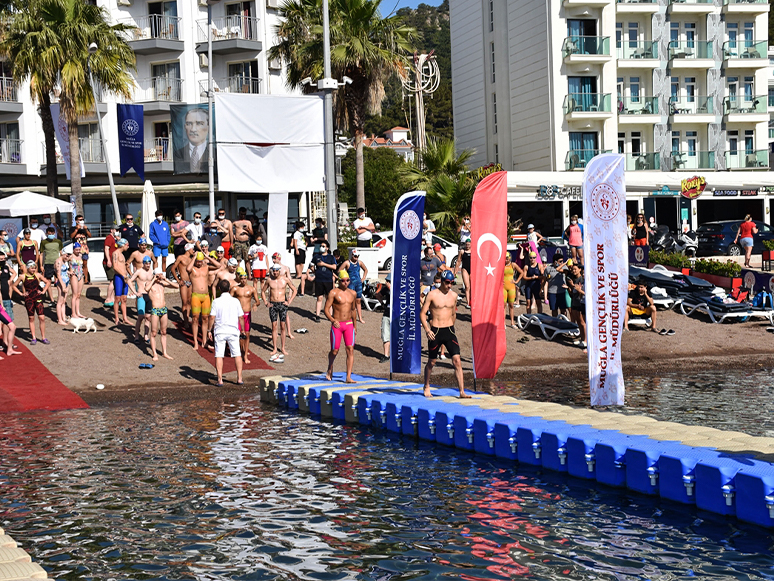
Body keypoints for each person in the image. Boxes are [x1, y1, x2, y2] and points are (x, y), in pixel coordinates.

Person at [420, 269, 469, 399]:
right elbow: (422, 313)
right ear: (442, 281)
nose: (449, 285)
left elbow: (453, 313)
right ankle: (426, 385)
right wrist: (427, 329)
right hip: (435, 331)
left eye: (452, 283)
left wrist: (452, 326)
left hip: (449, 331)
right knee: (432, 362)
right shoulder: (432, 294)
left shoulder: (453, 295)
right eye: (447, 282)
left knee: (457, 361)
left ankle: (462, 391)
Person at [209, 279, 244, 385]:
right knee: (237, 354)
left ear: (219, 289)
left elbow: (212, 317)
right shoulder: (235, 301)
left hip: (220, 331)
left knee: (219, 354)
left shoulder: (216, 301)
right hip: (233, 330)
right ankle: (239, 378)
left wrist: (209, 330)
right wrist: (242, 330)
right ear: (229, 288)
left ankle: (220, 379)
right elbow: (241, 317)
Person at [324, 269, 357, 382]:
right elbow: (326, 309)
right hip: (337, 324)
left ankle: (348, 377)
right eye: (343, 281)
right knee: (334, 350)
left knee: (350, 349)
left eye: (348, 280)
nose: (346, 282)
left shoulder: (352, 293)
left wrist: (355, 326)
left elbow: (353, 310)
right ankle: (330, 368)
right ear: (339, 281)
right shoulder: (333, 293)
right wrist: (333, 320)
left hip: (348, 324)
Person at [261, 263, 297, 363]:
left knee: (282, 326)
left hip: (282, 304)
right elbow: (263, 291)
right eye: (274, 271)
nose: (275, 273)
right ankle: (275, 348)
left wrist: (289, 301)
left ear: (279, 270)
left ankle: (283, 348)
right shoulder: (269, 280)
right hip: (273, 304)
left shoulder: (285, 279)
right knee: (274, 326)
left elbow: (294, 290)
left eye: (277, 271)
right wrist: (265, 302)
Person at [187, 251, 220, 350]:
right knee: (195, 318)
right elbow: (187, 268)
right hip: (196, 295)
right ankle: (196, 342)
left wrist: (207, 257)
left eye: (201, 261)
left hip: (206, 296)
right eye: (198, 261)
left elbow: (219, 266)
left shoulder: (206, 267)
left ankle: (204, 341)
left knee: (206, 318)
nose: (199, 263)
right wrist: (194, 257)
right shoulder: (192, 268)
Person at [145, 268, 179, 361]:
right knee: (154, 333)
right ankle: (154, 353)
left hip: (163, 309)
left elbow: (176, 286)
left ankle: (164, 352)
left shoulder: (162, 284)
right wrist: (153, 279)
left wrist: (166, 279)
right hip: (155, 310)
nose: (159, 277)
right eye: (158, 275)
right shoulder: (150, 284)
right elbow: (146, 289)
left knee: (164, 332)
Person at [230, 267, 260, 364]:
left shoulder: (252, 289)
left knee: (247, 334)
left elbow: (258, 301)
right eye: (241, 278)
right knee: (239, 334)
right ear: (239, 278)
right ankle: (240, 350)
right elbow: (228, 299)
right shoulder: (235, 289)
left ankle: (245, 354)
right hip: (238, 314)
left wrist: (255, 305)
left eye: (244, 278)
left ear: (247, 278)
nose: (243, 280)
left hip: (247, 314)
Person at [174, 107, 209, 173]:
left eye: (199, 123)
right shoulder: (178, 154)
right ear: (185, 127)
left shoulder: (216, 153)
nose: (193, 129)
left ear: (208, 127)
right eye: (189, 124)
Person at [128, 256, 154, 343]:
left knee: (148, 317)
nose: (148, 265)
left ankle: (146, 336)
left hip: (149, 296)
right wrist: (135, 292)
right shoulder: (139, 271)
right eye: (146, 263)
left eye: (149, 263)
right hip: (141, 295)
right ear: (143, 263)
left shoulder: (151, 271)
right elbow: (129, 281)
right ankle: (136, 336)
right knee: (140, 317)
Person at [21, 261, 49, 345]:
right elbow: (14, 285)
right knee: (31, 318)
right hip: (29, 299)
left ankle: (43, 337)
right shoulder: (23, 276)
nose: (33, 270)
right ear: (27, 268)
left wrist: (43, 291)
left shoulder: (38, 275)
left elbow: (47, 282)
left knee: (42, 317)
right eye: (31, 268)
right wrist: (22, 294)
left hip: (38, 298)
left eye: (34, 268)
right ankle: (33, 337)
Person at [170, 243, 196, 329]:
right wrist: (178, 279)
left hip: (191, 282)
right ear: (188, 249)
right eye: (192, 249)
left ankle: (187, 319)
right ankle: (185, 321)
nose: (193, 251)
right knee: (184, 302)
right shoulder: (180, 257)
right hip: (184, 282)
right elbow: (173, 268)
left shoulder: (191, 259)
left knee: (189, 302)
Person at [340, 249, 368, 324]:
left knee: (358, 301)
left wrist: (363, 278)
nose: (356, 258)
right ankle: (349, 317)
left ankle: (360, 317)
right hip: (351, 283)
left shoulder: (360, 262)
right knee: (350, 301)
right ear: (352, 255)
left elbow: (365, 270)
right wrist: (344, 279)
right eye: (355, 256)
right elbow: (340, 270)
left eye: (357, 256)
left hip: (358, 283)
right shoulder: (347, 263)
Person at [0, 251, 19, 357]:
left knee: (9, 321)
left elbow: (14, 273)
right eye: (1, 259)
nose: (3, 261)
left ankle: (6, 342)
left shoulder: (6, 266)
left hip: (6, 297)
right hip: (0, 299)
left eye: (4, 259)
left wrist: (10, 280)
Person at [313, 241, 337, 322]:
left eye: (323, 246)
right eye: (321, 245)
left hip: (328, 280)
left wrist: (324, 264)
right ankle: (317, 315)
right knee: (319, 297)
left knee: (329, 298)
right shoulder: (316, 256)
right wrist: (314, 272)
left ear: (327, 248)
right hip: (319, 280)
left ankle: (330, 315)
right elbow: (312, 265)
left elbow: (334, 267)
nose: (321, 247)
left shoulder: (331, 257)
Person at [39, 226, 62, 302]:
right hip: (48, 263)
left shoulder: (58, 241)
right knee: (48, 281)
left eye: (52, 233)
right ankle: (52, 299)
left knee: (60, 281)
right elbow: (41, 254)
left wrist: (63, 263)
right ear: (46, 234)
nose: (51, 234)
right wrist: (41, 265)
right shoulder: (44, 242)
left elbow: (61, 253)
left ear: (54, 233)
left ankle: (60, 299)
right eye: (49, 233)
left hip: (57, 263)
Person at [567, 262, 587, 350]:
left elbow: (587, 294)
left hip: (581, 303)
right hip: (576, 301)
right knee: (578, 321)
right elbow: (576, 292)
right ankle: (582, 339)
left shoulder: (583, 281)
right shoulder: (575, 279)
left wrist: (577, 289)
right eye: (573, 269)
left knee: (582, 322)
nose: (573, 271)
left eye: (575, 269)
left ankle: (586, 340)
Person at [544, 252, 568, 318]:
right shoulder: (548, 269)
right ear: (555, 261)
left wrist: (563, 264)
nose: (562, 262)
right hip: (552, 292)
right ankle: (555, 323)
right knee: (554, 309)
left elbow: (560, 270)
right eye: (560, 261)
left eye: (562, 261)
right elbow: (545, 281)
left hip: (562, 291)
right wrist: (544, 295)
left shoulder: (564, 267)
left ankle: (564, 323)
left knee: (563, 309)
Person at [112, 238, 130, 325]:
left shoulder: (122, 254)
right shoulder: (115, 253)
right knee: (117, 299)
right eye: (127, 245)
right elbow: (115, 267)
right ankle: (116, 318)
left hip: (124, 277)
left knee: (124, 299)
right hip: (119, 277)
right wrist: (123, 275)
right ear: (123, 245)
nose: (128, 247)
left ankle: (125, 318)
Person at [70, 215, 92, 284]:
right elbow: (71, 236)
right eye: (80, 220)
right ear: (76, 221)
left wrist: (86, 229)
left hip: (84, 249)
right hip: (77, 250)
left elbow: (90, 235)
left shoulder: (85, 229)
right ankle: (76, 278)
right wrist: (76, 229)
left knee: (85, 264)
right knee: (76, 264)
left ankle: (86, 279)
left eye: (82, 219)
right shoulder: (73, 228)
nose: (81, 221)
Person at [54, 247, 72, 325]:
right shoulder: (58, 261)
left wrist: (69, 272)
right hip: (62, 283)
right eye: (67, 255)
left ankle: (63, 317)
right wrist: (63, 286)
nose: (68, 257)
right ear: (63, 254)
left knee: (64, 301)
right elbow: (58, 274)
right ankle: (59, 319)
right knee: (59, 301)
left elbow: (64, 271)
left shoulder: (64, 261)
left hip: (66, 281)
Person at [503, 253, 522, 328]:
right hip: (503, 287)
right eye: (505, 258)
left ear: (510, 258)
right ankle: (503, 322)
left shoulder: (513, 265)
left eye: (507, 258)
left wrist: (516, 281)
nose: (506, 259)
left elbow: (521, 272)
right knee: (503, 305)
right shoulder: (501, 265)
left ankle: (512, 322)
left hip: (511, 287)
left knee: (511, 305)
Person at [376, 274, 391, 363]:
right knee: (385, 335)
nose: (386, 283)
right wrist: (382, 304)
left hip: (396, 315)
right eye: (386, 281)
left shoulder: (399, 289)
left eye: (388, 281)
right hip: (387, 314)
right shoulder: (385, 289)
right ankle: (386, 355)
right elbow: (377, 295)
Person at [103, 225, 119, 308]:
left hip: (114, 262)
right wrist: (109, 260)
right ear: (111, 230)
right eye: (116, 229)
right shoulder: (109, 238)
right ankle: (108, 298)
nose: (117, 231)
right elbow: (106, 249)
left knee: (114, 280)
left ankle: (112, 298)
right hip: (109, 262)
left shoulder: (115, 239)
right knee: (112, 281)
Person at [69, 243, 86, 319]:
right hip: (74, 275)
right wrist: (69, 271)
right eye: (76, 250)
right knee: (74, 295)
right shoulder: (71, 256)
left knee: (79, 294)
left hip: (80, 274)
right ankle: (73, 313)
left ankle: (78, 312)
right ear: (73, 249)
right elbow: (64, 263)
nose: (78, 251)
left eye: (79, 249)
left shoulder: (80, 256)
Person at [455, 239, 472, 307]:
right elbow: (458, 261)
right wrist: (455, 271)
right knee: (467, 286)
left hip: (472, 269)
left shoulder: (474, 251)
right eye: (466, 244)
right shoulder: (462, 251)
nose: (467, 245)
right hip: (465, 269)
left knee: (472, 287)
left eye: (468, 244)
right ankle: (468, 303)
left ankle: (472, 300)